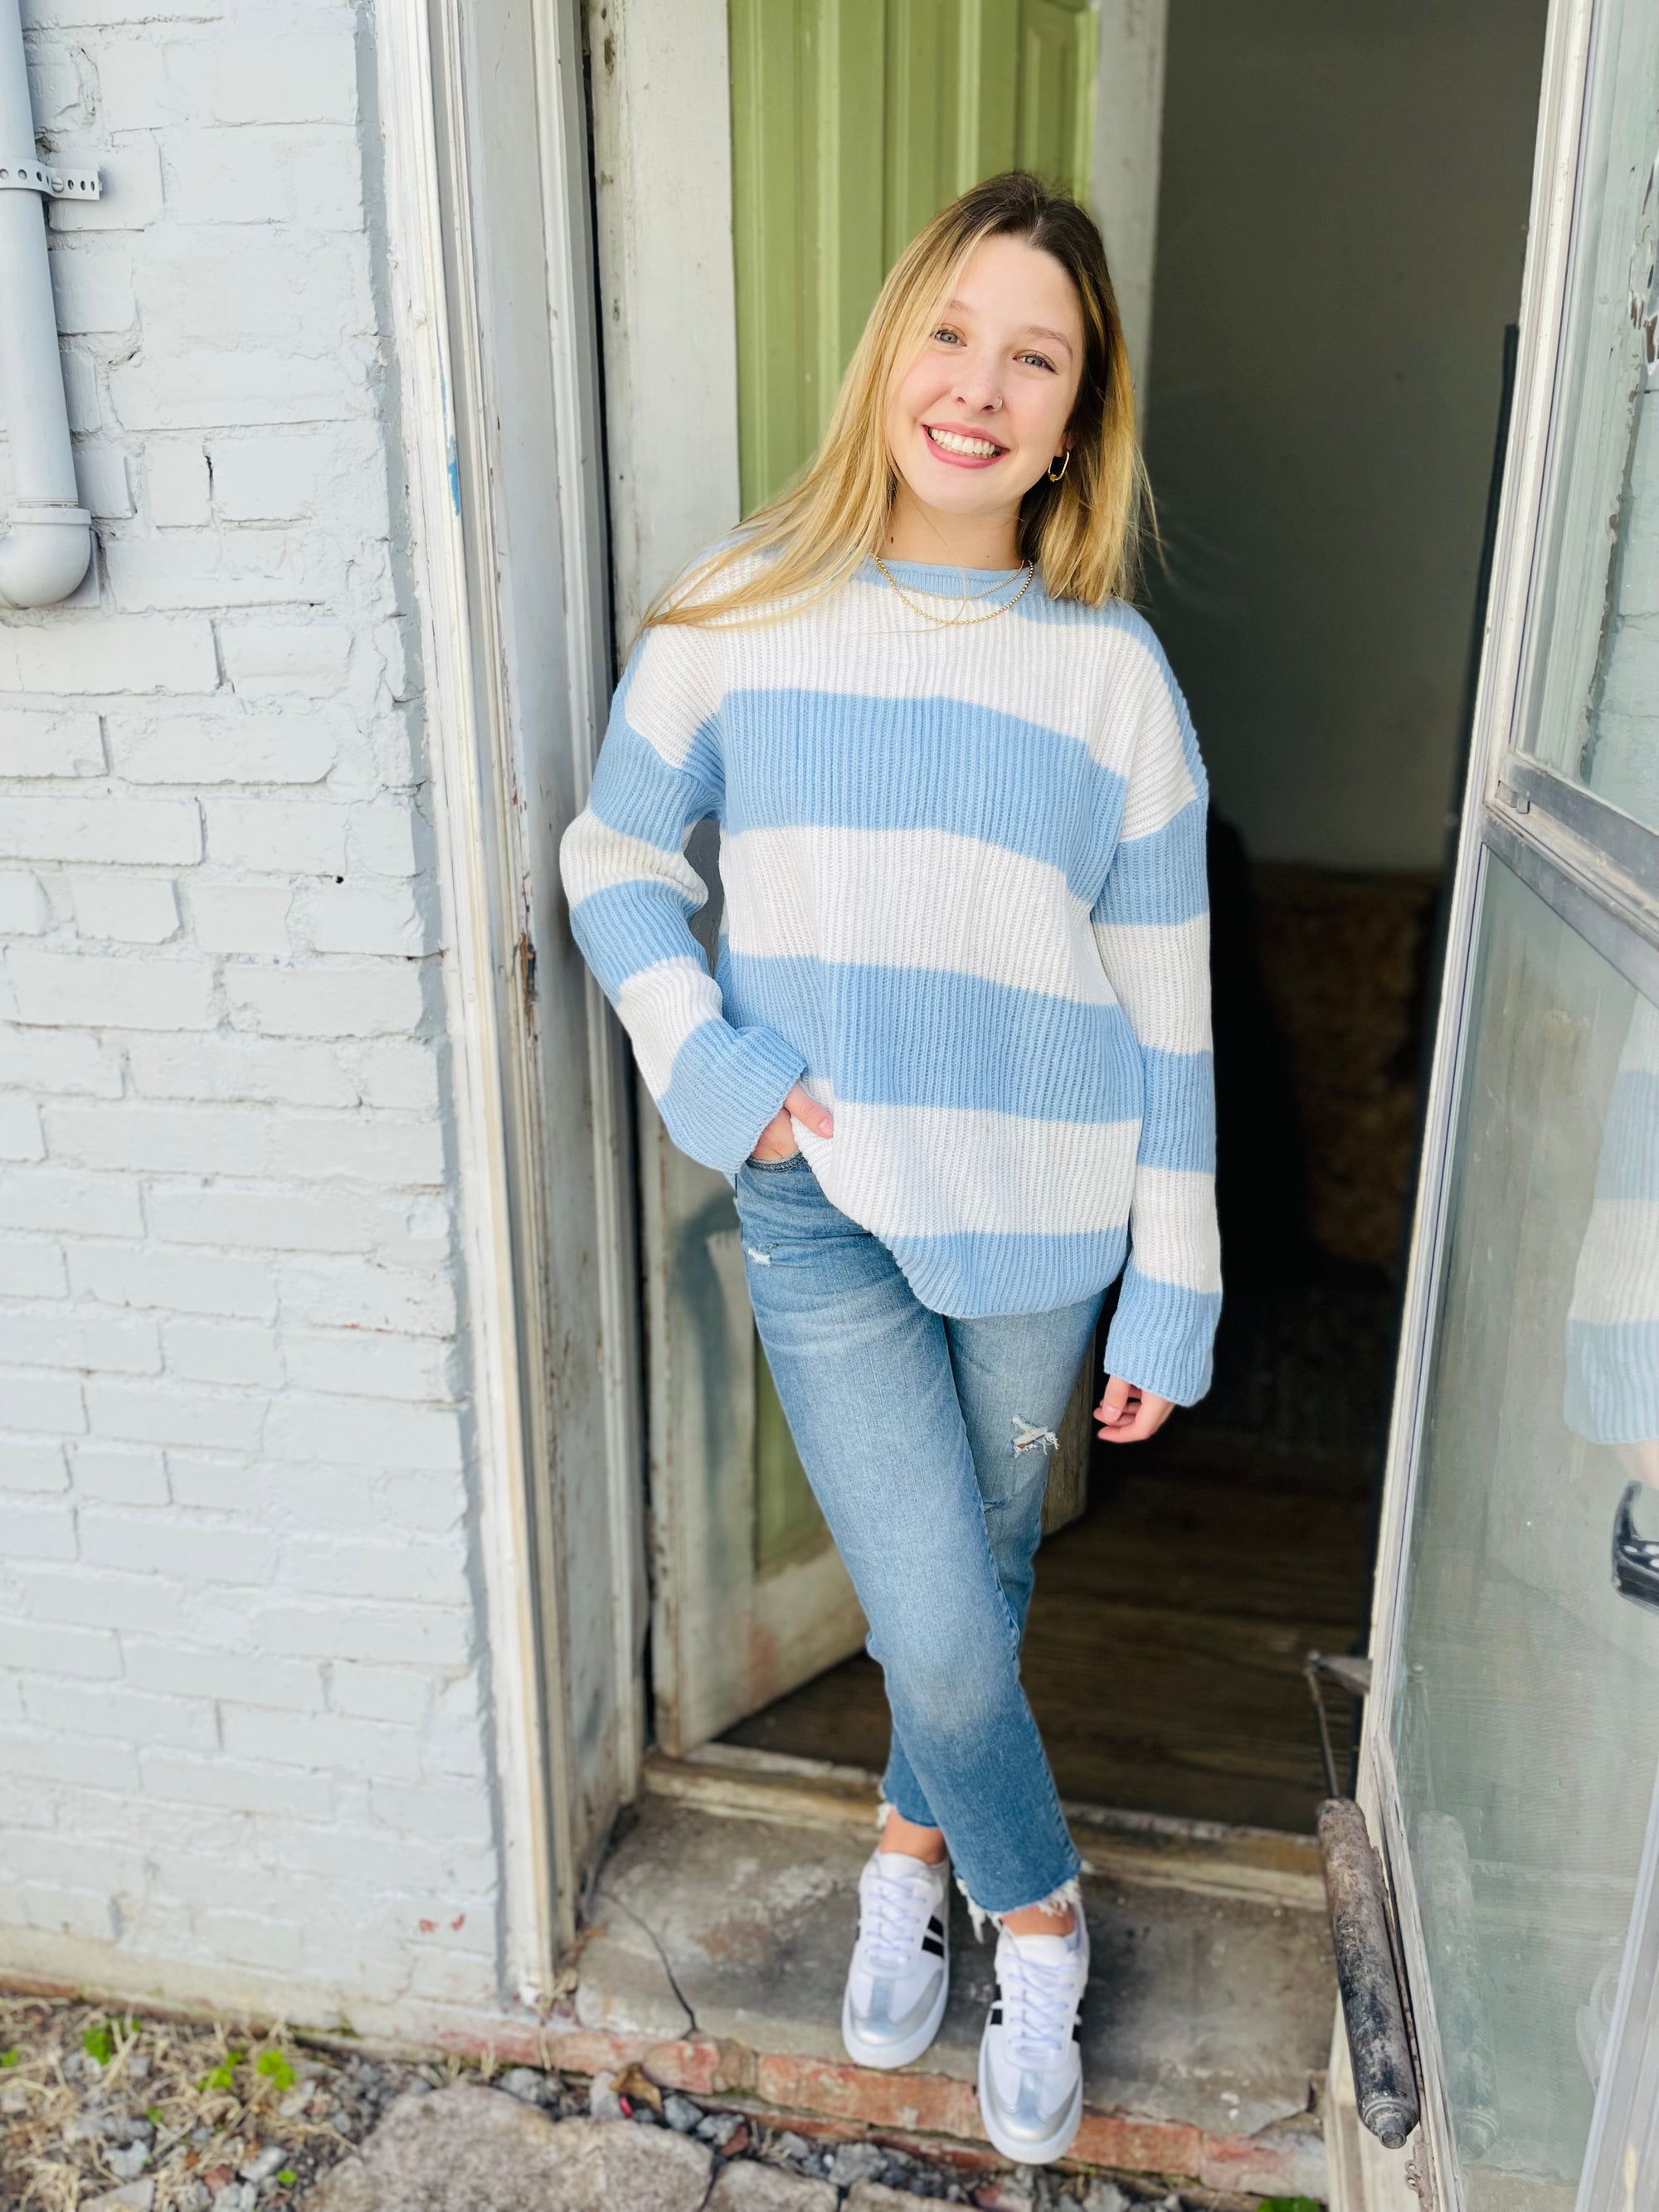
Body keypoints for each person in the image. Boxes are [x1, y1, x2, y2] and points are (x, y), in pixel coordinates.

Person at [560, 170, 1220, 2166]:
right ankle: (1037, 1910)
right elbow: (613, 865)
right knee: (931, 1614)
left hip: (1044, 1217)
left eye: (1037, 357)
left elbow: (1167, 1001)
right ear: (891, 351)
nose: (979, 386)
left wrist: (1170, 1281)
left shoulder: (1111, 680)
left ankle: (905, 1845)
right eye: (952, 332)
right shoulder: (738, 606)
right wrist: (727, 1072)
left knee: (981, 1579)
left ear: (1076, 410)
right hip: (822, 1193)